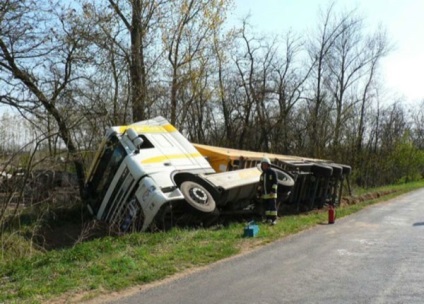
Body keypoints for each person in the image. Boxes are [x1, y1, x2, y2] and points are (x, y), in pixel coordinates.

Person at [257, 157, 278, 225]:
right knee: (267, 208)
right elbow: (260, 184)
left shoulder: (273, 173)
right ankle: (268, 219)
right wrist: (259, 192)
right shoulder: (262, 175)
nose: (264, 166)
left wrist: (273, 190)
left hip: (272, 194)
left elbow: (275, 183)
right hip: (265, 195)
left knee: (272, 208)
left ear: (269, 165)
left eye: (265, 165)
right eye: (263, 165)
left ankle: (274, 219)